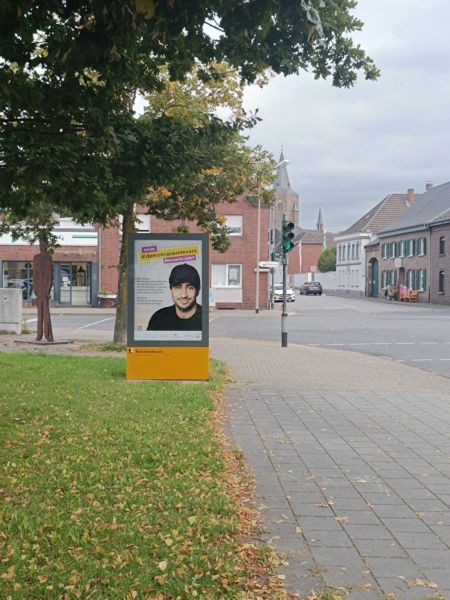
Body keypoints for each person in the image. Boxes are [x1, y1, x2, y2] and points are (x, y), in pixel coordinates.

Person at [147, 263, 202, 331]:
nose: (183, 295)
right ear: (171, 290)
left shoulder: (205, 318)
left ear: (198, 290)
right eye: (178, 287)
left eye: (190, 288)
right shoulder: (158, 318)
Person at [32, 240, 54, 342]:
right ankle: (39, 334)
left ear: (46, 246)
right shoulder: (36, 258)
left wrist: (47, 290)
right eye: (40, 244)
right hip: (38, 289)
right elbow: (34, 274)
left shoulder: (48, 258)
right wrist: (34, 288)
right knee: (39, 313)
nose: (41, 246)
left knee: (46, 312)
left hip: (45, 289)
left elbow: (50, 276)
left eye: (43, 245)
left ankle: (48, 334)